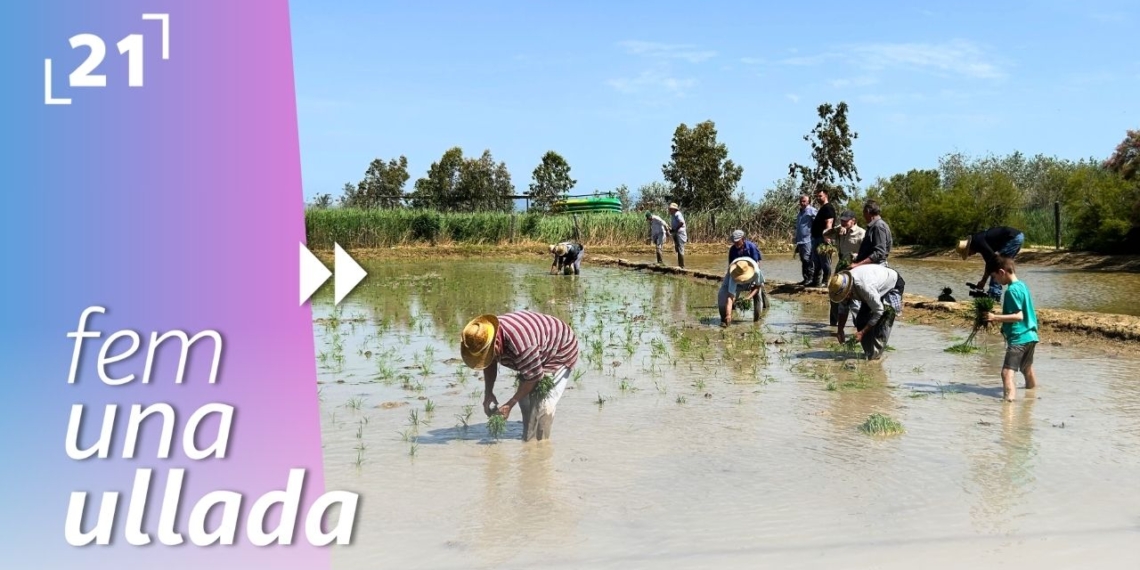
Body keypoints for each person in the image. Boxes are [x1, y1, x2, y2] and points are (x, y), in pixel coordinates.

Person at [460, 311, 580, 442]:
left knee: (542, 405)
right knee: (526, 403)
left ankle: (540, 447)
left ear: (496, 343)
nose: (488, 358)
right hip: (536, 350)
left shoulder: (522, 346)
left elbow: (534, 377)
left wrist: (510, 404)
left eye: (489, 354)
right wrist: (488, 393)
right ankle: (528, 438)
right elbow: (490, 363)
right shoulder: (486, 335)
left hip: (559, 350)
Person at [984, 256, 1039, 402]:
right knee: (1026, 369)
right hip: (1031, 336)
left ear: (1002, 272)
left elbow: (1018, 316)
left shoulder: (1011, 291)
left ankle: (1009, 406)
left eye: (994, 277)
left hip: (1019, 338)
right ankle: (1032, 398)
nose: (995, 281)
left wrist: (994, 317)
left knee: (1006, 373)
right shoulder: (1022, 286)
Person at [828, 264, 906, 361]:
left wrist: (862, 333)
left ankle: (875, 357)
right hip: (875, 288)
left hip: (891, 286)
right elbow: (843, 308)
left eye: (845, 296)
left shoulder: (865, 287)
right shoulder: (842, 285)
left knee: (882, 324)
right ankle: (869, 353)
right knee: (861, 320)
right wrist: (840, 330)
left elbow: (879, 311)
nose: (844, 298)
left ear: (848, 291)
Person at [956, 226, 1025, 301]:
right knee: (1003, 266)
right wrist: (983, 281)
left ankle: (994, 295)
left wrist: (983, 281)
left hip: (1012, 238)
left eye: (968, 253)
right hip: (1016, 236)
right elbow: (989, 263)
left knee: (997, 266)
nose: (969, 255)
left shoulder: (978, 242)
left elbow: (993, 261)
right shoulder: (978, 241)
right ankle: (1011, 292)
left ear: (969, 248)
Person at [822, 210, 866, 327]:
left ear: (853, 221)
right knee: (834, 292)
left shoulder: (862, 233)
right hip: (841, 266)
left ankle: (858, 325)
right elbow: (825, 233)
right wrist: (836, 229)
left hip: (856, 267)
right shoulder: (839, 230)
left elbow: (867, 252)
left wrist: (857, 257)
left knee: (854, 296)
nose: (843, 223)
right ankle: (833, 324)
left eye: (846, 221)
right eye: (842, 220)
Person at [718, 257, 765, 327]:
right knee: (722, 297)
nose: (742, 280)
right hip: (735, 281)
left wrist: (749, 297)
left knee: (758, 297)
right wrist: (728, 315)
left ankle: (757, 321)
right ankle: (724, 321)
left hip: (752, 283)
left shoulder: (756, 272)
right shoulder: (733, 274)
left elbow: (758, 286)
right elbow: (730, 297)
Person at [850, 200, 892, 269]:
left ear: (868, 212)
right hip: (871, 266)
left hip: (876, 267)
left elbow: (879, 253)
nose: (863, 216)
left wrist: (858, 264)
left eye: (864, 213)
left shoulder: (878, 226)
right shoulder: (873, 226)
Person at [808, 188, 837, 287]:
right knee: (816, 261)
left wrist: (827, 237)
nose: (818, 198)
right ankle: (816, 281)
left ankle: (826, 282)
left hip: (823, 239)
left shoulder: (828, 208)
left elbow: (829, 222)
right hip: (816, 238)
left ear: (826, 196)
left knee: (825, 261)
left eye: (820, 196)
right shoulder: (822, 208)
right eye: (817, 196)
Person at [794, 194, 817, 286]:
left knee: (808, 259)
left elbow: (818, 222)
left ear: (808, 202)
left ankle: (811, 279)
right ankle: (806, 278)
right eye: (801, 201)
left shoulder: (812, 211)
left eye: (804, 201)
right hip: (800, 240)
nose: (802, 203)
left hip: (808, 240)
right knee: (803, 260)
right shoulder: (800, 212)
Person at [668, 202, 687, 268]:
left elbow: (681, 223)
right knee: (678, 249)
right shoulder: (673, 215)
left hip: (680, 233)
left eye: (670, 209)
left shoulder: (677, 214)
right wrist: (672, 229)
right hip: (676, 232)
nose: (669, 210)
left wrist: (675, 229)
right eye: (669, 209)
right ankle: (680, 265)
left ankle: (681, 266)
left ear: (674, 209)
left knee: (680, 248)